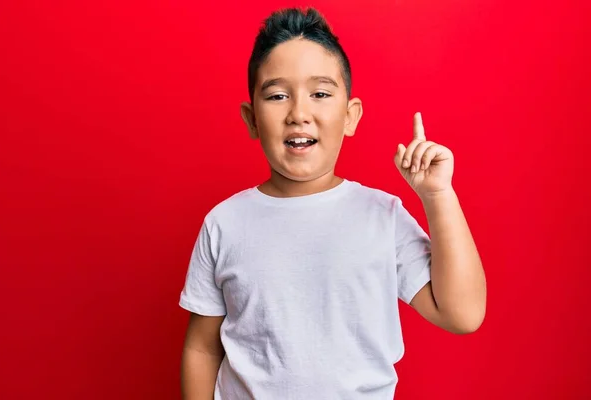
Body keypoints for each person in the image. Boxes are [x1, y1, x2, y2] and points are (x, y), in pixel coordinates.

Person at [179, 7, 486, 400]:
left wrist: (438, 195)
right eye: (277, 95)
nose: (299, 114)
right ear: (252, 119)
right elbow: (202, 347)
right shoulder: (224, 223)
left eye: (320, 94)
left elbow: (462, 314)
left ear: (350, 116)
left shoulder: (382, 216)